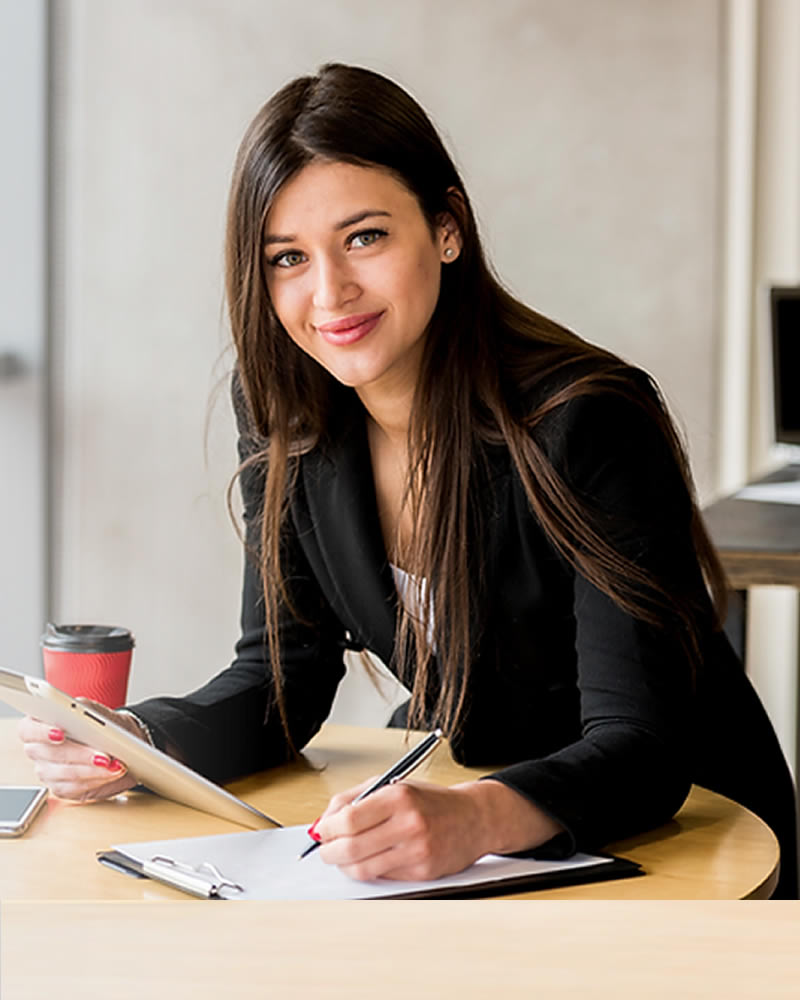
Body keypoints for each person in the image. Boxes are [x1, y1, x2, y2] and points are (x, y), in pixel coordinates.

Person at [19, 63, 797, 896]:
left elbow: (642, 748)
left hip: (691, 843)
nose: (330, 292)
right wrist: (138, 740)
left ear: (447, 227)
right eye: (287, 257)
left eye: (365, 237)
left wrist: (475, 817)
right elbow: (280, 682)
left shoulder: (587, 418)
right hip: (479, 834)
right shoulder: (288, 409)